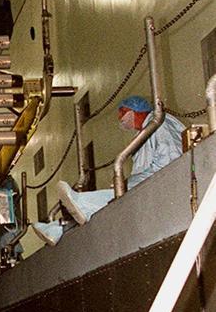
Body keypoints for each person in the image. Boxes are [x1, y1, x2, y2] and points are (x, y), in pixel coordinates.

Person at [32, 96, 185, 245]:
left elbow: (171, 158)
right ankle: (58, 228)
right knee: (106, 202)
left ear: (135, 110)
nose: (121, 118)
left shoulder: (159, 123)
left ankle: (75, 209)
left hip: (162, 183)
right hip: (148, 184)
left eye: (123, 112)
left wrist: (131, 183)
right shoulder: (144, 132)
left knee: (112, 198)